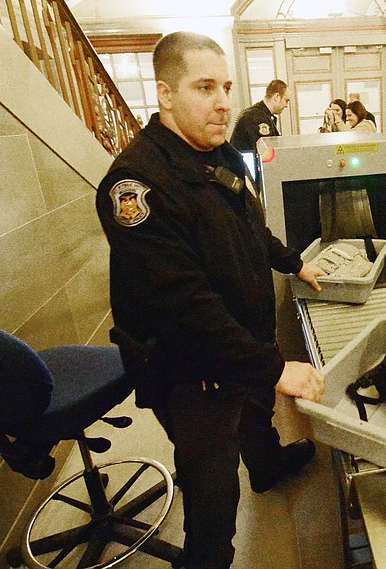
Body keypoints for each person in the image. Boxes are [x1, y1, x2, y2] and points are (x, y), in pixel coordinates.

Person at [95, 32, 326, 569]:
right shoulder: (138, 184)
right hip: (192, 368)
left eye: (226, 86)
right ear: (166, 95)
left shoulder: (219, 151)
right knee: (213, 490)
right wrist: (273, 366)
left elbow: (249, 228)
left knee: (256, 415)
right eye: (205, 87)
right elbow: (184, 306)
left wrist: (294, 262)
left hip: (241, 343)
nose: (224, 101)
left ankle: (266, 465)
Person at [230, 78, 291, 152]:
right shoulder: (256, 119)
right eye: (286, 100)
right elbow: (266, 154)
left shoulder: (258, 114)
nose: (287, 105)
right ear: (277, 97)